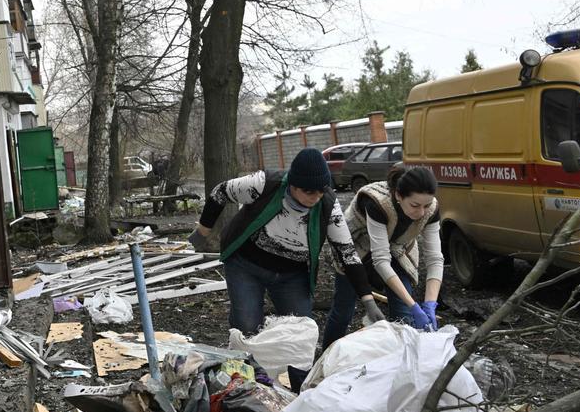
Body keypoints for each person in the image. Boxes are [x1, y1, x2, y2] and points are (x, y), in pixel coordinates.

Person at [190, 147, 383, 337]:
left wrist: (368, 299)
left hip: (292, 275)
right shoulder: (264, 183)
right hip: (246, 265)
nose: (316, 198)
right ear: (293, 185)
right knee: (247, 325)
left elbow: (347, 252)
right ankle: (248, 364)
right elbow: (219, 193)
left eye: (320, 192)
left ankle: (296, 369)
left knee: (300, 331)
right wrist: (203, 231)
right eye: (309, 192)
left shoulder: (328, 205)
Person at [321, 164, 443, 351]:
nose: (421, 212)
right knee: (344, 310)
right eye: (415, 205)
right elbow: (380, 260)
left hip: (396, 249)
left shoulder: (431, 210)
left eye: (426, 205)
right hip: (357, 249)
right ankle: (325, 358)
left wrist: (429, 304)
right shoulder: (377, 203)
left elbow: (435, 259)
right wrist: (414, 305)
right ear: (398, 196)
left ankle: (399, 366)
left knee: (404, 316)